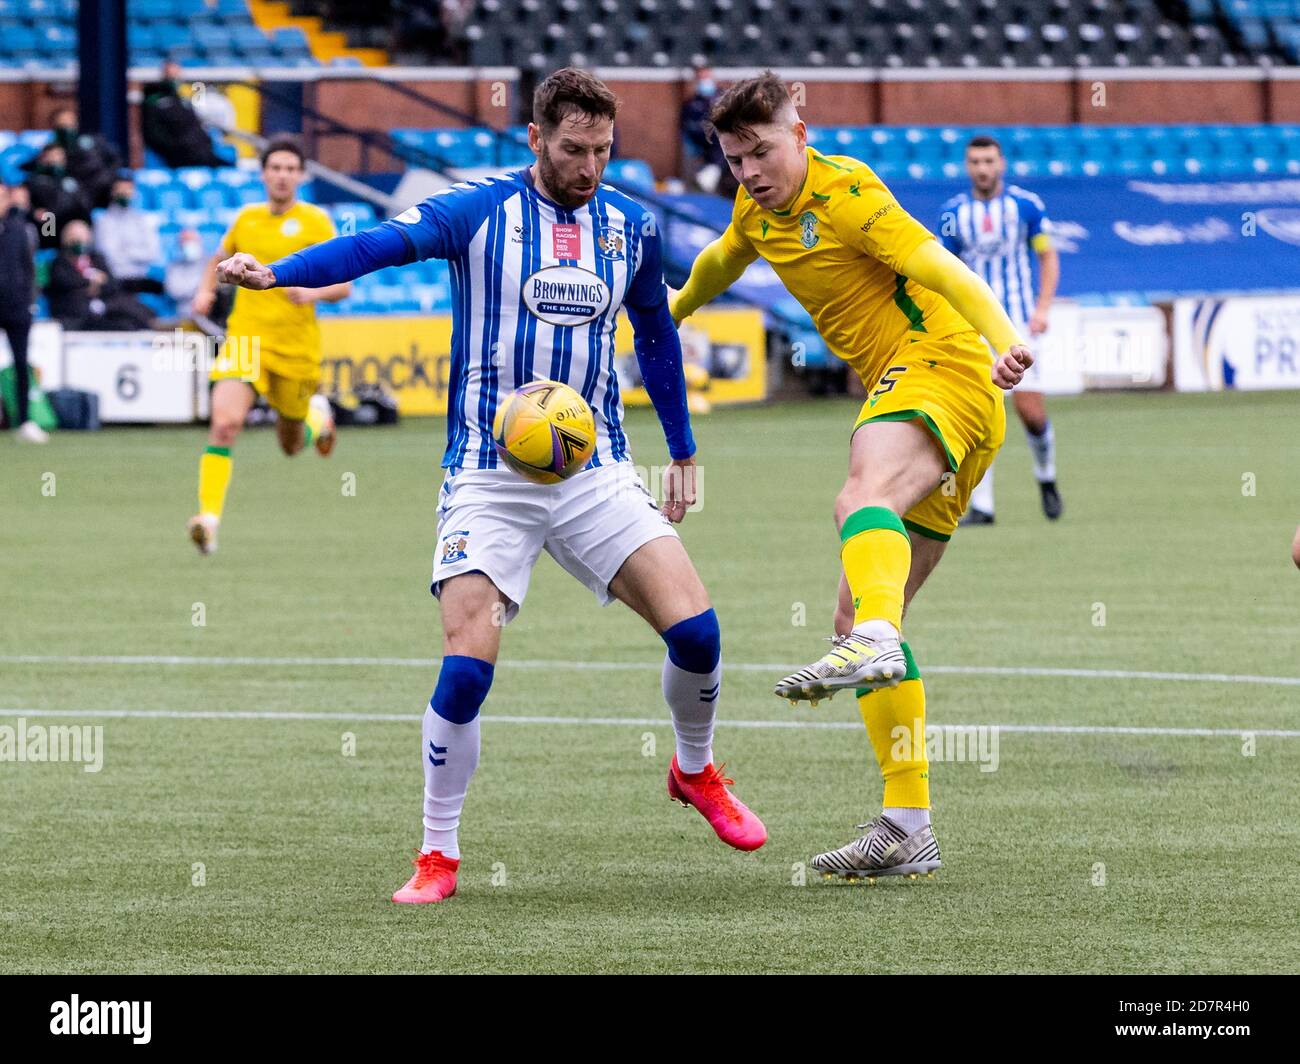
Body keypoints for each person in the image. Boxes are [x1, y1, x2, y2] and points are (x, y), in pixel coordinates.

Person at [216, 68, 768, 905]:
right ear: (537, 139)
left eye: (604, 150)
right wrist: (279, 272)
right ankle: (439, 853)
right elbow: (375, 245)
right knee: (468, 669)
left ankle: (695, 771)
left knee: (698, 635)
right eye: (575, 150)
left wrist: (682, 449)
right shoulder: (476, 211)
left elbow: (655, 330)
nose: (590, 167)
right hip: (487, 472)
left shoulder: (631, 225)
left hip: (596, 469)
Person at [670, 72, 1033, 882]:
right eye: (734, 160)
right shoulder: (757, 208)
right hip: (950, 408)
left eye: (762, 151)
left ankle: (875, 638)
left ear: (800, 130)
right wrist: (673, 307)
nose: (751, 172)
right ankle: (908, 827)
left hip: (942, 366)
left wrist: (1005, 339)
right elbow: (720, 261)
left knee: (858, 499)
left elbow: (944, 270)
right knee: (861, 616)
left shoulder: (850, 195)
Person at [187, 138, 346, 555]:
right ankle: (208, 518)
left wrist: (312, 294)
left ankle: (316, 420)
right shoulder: (246, 219)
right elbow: (217, 259)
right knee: (224, 424)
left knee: (290, 445)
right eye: (275, 167)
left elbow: (344, 284)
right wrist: (205, 290)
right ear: (263, 174)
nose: (282, 175)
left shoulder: (315, 222)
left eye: (290, 168)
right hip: (246, 340)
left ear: (300, 175)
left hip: (295, 347)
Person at [941, 136, 1063, 524]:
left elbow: (1047, 257)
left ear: (1002, 164)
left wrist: (1043, 307)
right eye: (975, 161)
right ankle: (982, 505)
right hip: (974, 329)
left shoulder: (1026, 207)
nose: (982, 168)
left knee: (1031, 414)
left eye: (989, 160)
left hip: (1020, 325)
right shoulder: (952, 214)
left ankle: (1046, 477)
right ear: (967, 166)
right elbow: (944, 271)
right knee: (979, 413)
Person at [44, 220, 156, 332]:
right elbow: (64, 283)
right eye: (73, 237)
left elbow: (112, 283)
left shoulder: (97, 258)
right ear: (65, 239)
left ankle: (152, 324)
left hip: (104, 306)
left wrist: (98, 285)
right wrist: (90, 282)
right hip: (76, 311)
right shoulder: (58, 262)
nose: (77, 241)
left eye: (81, 237)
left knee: (127, 310)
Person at [0, 182, 45, 443]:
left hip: (17, 308)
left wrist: (29, 301)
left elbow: (29, 269)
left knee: (21, 364)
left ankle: (25, 420)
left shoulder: (21, 230)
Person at [141, 58, 230, 169]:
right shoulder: (155, 101)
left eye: (177, 73)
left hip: (202, 153)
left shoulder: (184, 100)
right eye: (171, 74)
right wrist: (174, 148)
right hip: (179, 157)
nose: (175, 78)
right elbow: (153, 133)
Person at [93, 172, 164, 294]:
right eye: (121, 189)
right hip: (116, 279)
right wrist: (137, 253)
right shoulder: (103, 221)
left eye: (129, 189)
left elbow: (153, 253)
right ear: (113, 192)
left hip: (141, 278)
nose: (125, 193)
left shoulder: (143, 220)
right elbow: (108, 256)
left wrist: (126, 251)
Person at [49, 106, 123, 209]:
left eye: (70, 123)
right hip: (79, 190)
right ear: (55, 127)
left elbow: (115, 158)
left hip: (103, 185)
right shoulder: (52, 149)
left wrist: (107, 175)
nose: (67, 127)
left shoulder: (94, 140)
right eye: (62, 125)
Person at [22, 143, 92, 249]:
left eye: (58, 156)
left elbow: (84, 203)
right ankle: (48, 252)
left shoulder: (73, 179)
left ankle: (78, 254)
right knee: (48, 217)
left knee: (79, 225)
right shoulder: (34, 181)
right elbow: (25, 203)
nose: (55, 160)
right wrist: (34, 212)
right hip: (49, 223)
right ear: (43, 159)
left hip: (70, 220)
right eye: (51, 156)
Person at [680, 64, 734, 196]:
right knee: (696, 187)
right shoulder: (691, 103)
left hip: (721, 151)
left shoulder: (724, 99)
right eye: (700, 77)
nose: (703, 80)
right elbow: (685, 126)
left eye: (706, 76)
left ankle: (713, 171)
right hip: (699, 150)